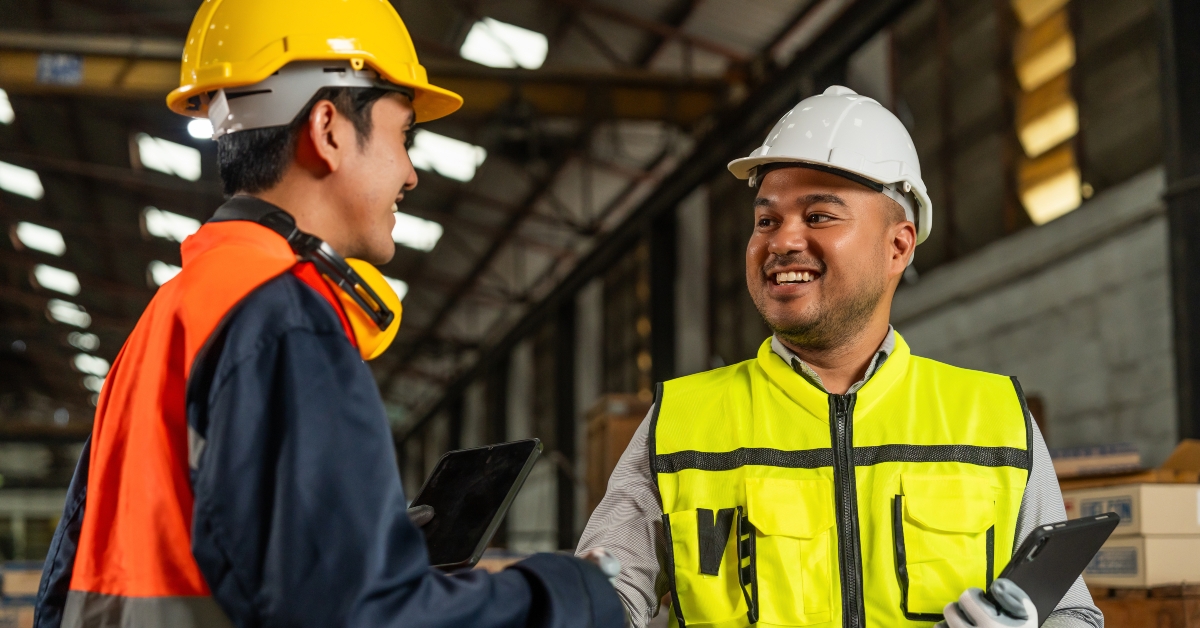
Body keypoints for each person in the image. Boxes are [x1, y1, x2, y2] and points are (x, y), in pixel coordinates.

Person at [33, 2, 624, 627]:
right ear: (328, 129)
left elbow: (64, 582)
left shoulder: (168, 317)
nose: (411, 173)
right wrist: (573, 594)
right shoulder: (284, 320)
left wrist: (352, 538)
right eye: (404, 136)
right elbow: (366, 616)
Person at [576, 86, 1103, 628]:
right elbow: (601, 602)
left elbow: (1071, 612)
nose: (782, 241)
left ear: (898, 247)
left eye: (820, 216)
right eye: (766, 221)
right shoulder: (681, 424)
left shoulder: (995, 420)